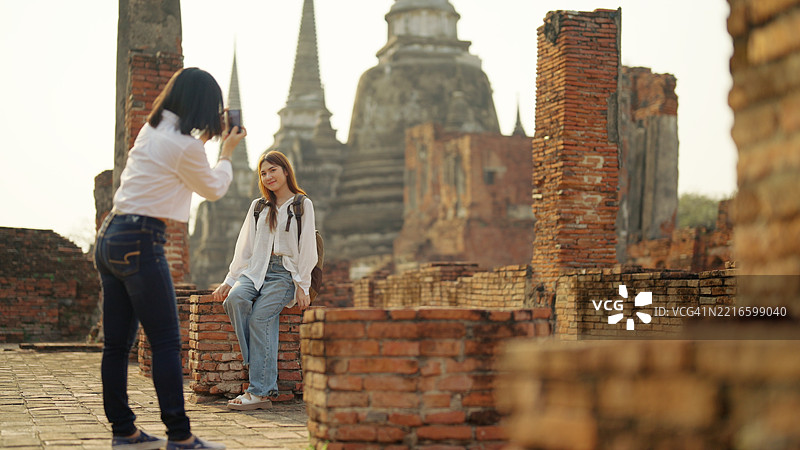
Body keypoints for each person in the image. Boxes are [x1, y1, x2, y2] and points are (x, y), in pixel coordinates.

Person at [94, 67, 246, 450]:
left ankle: (123, 431)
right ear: (203, 106)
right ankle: (180, 436)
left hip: (111, 237)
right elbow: (213, 188)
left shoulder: (152, 130)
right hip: (141, 241)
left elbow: (179, 160)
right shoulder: (186, 147)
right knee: (164, 341)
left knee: (115, 345)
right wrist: (227, 153)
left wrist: (208, 140)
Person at [212, 150, 316, 411]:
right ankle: (255, 361)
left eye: (273, 170)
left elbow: (307, 248)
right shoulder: (259, 207)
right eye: (263, 173)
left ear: (285, 171)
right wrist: (230, 278)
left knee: (260, 318)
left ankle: (260, 392)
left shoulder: (302, 205)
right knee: (235, 299)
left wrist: (303, 285)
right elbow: (244, 246)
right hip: (256, 270)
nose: (268, 176)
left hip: (285, 273)